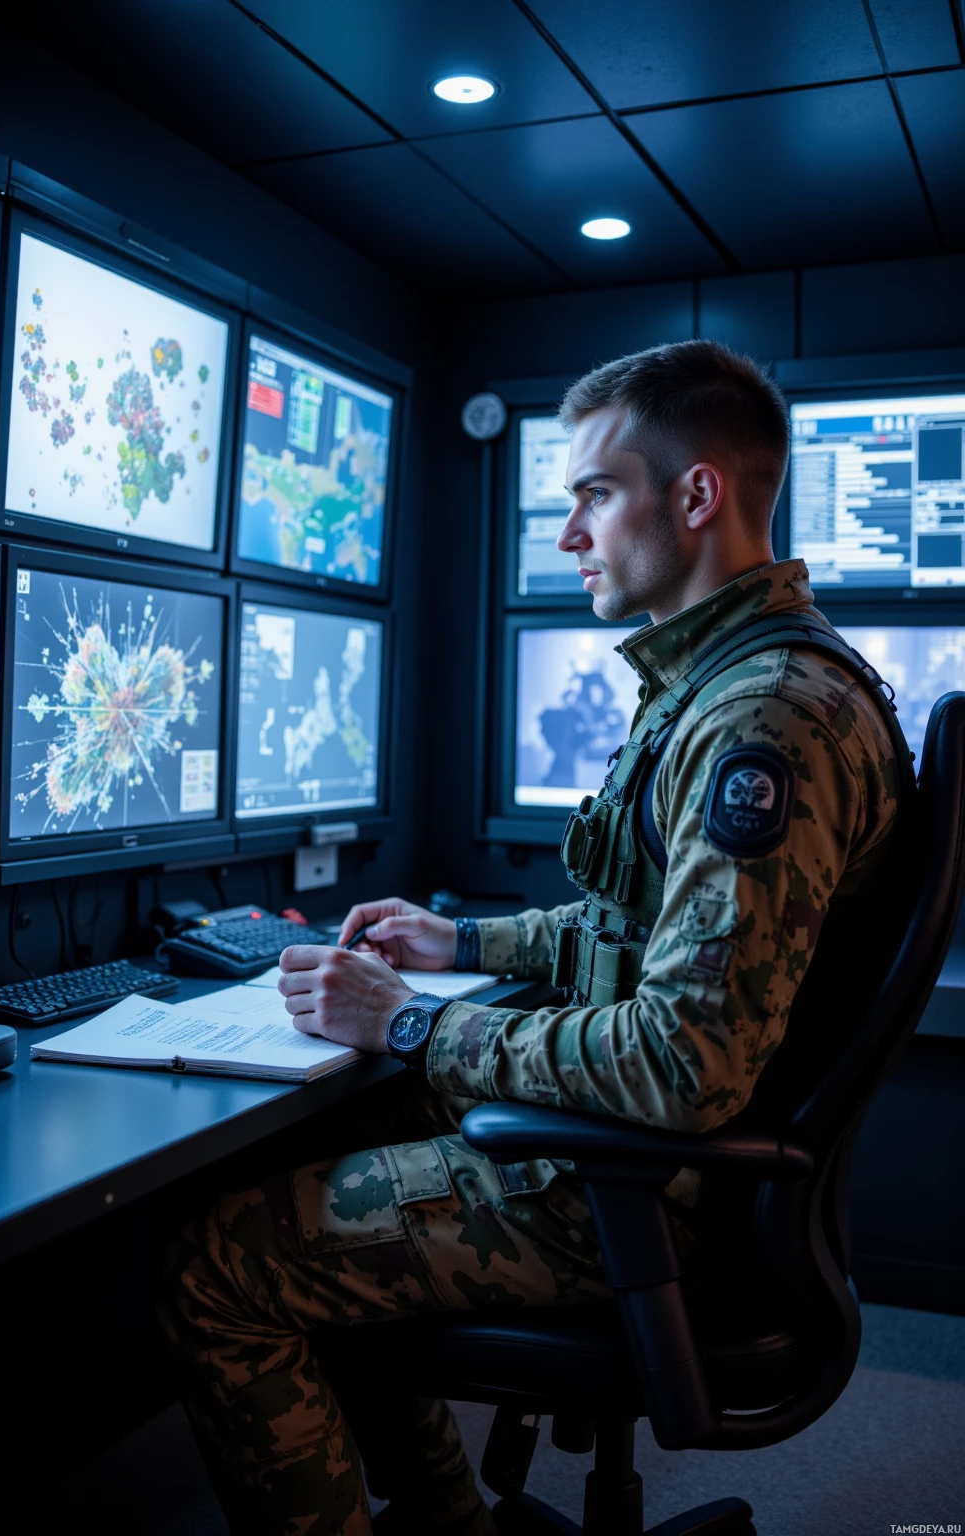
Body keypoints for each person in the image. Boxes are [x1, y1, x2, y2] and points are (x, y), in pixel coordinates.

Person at [160, 341, 907, 1536]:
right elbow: (644, 931)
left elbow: (683, 1063)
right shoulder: (737, 681)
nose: (568, 535)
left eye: (594, 494)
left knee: (220, 1264)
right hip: (661, 1169)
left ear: (696, 494)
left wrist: (410, 1022)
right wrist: (462, 944)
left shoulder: (761, 720)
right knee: (336, 1138)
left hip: (644, 1194)